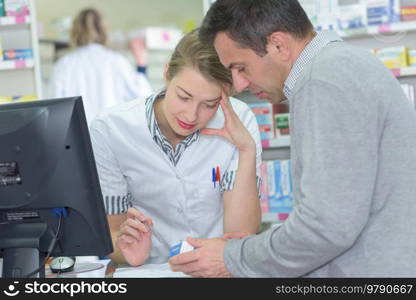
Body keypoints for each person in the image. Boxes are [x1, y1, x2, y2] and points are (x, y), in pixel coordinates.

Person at [169, 0, 416, 277]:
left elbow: (325, 227)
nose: (238, 85)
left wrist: (233, 258)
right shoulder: (341, 65)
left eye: (241, 67)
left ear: (278, 45)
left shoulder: (323, 82)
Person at [89, 29, 262, 266]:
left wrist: (246, 150)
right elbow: (111, 233)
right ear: (168, 73)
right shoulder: (111, 129)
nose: (191, 115)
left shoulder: (240, 120)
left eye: (209, 105)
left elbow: (240, 235)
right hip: (150, 271)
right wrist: (128, 253)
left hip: (215, 271)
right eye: (184, 97)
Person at [49, 7, 152, 125]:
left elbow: (54, 110)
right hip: (111, 137)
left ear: (75, 31)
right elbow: (144, 97)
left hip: (78, 138)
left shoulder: (63, 65)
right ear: (104, 31)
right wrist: (141, 64)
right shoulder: (117, 61)